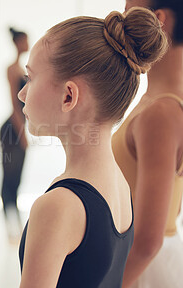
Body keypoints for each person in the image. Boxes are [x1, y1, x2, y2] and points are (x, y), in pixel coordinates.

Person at [18, 7, 168, 287]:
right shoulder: (120, 186)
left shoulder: (58, 206)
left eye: (31, 78)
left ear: (68, 96)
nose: (22, 93)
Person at [112, 1, 183, 287]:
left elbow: (147, 242)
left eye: (129, 13)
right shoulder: (156, 103)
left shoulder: (161, 113)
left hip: (141, 270)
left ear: (159, 21)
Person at [0, 27, 29, 244]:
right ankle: (10, 229)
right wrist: (22, 133)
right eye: (25, 40)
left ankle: (15, 226)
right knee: (9, 180)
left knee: (16, 181)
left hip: (18, 129)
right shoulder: (12, 69)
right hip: (11, 130)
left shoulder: (23, 69)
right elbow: (14, 104)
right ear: (18, 42)